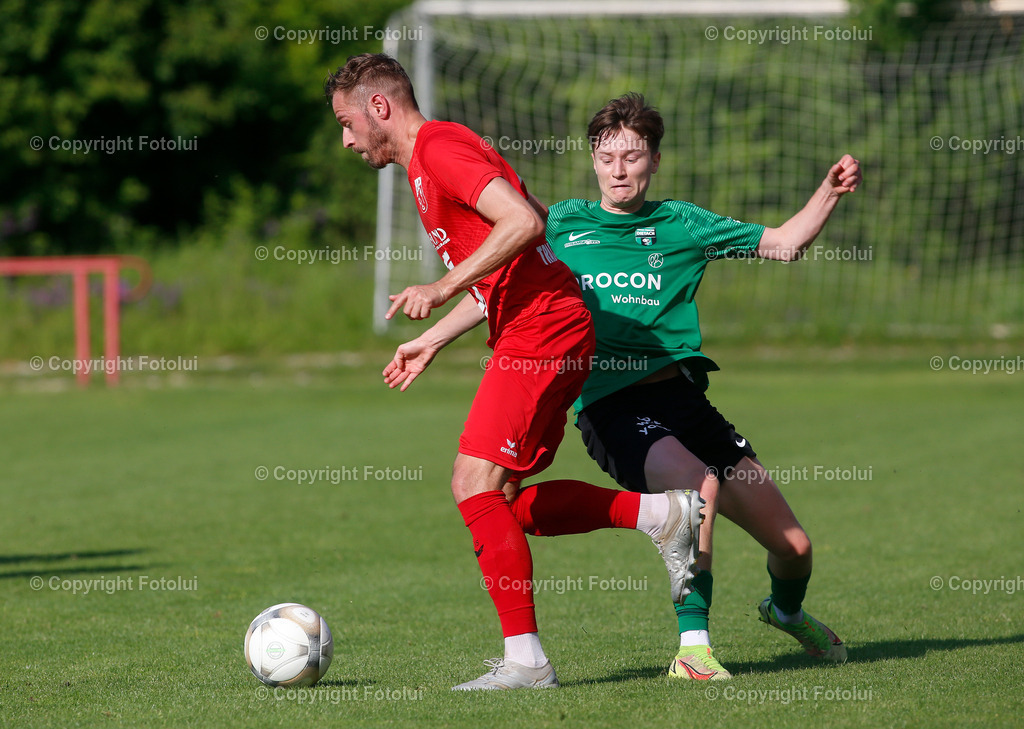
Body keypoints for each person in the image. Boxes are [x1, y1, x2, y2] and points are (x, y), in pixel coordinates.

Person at [325, 56, 705, 690]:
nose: (346, 138)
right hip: (544, 325)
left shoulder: (441, 147)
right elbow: (513, 258)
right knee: (503, 503)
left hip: (544, 329)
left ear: (379, 108)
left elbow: (525, 224)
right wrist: (433, 340)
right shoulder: (433, 158)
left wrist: (442, 287)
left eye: (347, 121)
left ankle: (526, 661)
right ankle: (658, 516)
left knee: (471, 480)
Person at [546, 92, 861, 680]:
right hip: (611, 407)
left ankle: (785, 613)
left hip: (685, 404)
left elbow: (785, 243)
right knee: (697, 487)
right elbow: (499, 263)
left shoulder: (682, 223)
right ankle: (693, 649)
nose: (619, 169)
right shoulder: (562, 222)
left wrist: (829, 192)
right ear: (593, 160)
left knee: (795, 548)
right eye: (607, 155)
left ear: (654, 161)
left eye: (633, 156)